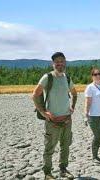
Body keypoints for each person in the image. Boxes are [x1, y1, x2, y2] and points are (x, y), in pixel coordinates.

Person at [32, 52, 77, 180]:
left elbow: (74, 93)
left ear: (65, 63)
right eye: (57, 62)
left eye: (62, 61)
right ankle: (47, 173)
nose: (60, 64)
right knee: (49, 148)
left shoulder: (67, 78)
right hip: (52, 121)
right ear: (53, 64)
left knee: (65, 147)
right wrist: (43, 112)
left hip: (67, 120)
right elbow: (35, 95)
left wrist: (72, 107)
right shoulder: (47, 77)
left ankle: (63, 170)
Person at [84, 68, 100, 162]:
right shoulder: (90, 87)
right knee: (97, 135)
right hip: (93, 116)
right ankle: (94, 156)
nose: (98, 76)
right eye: (95, 74)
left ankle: (96, 154)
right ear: (92, 76)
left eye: (99, 74)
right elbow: (88, 102)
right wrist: (85, 115)